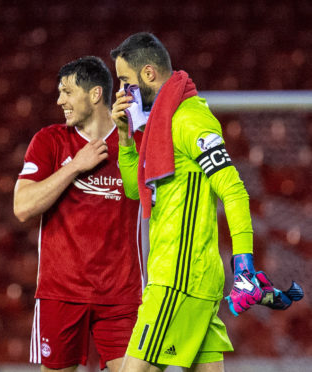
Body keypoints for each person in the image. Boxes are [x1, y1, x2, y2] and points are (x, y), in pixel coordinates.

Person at [110, 32, 265, 372]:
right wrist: (124, 138)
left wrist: (243, 263)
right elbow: (136, 191)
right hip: (192, 276)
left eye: (125, 82)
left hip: (178, 276)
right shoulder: (158, 125)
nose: (122, 94)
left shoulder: (189, 119)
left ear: (149, 74)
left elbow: (234, 189)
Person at [13, 56, 143, 372]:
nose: (60, 100)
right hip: (62, 292)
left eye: (67, 92)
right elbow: (23, 207)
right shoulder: (49, 141)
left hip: (121, 293)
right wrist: (74, 166)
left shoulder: (133, 142)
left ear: (95, 94)